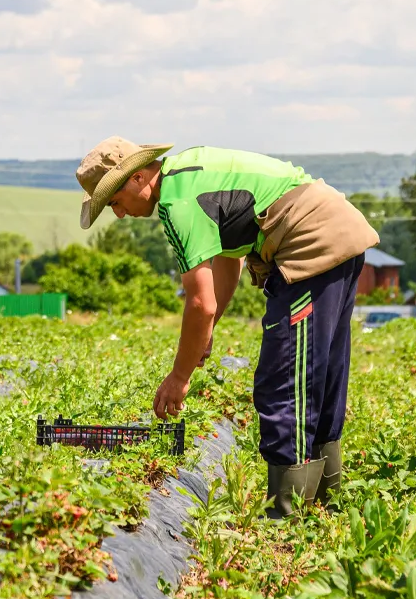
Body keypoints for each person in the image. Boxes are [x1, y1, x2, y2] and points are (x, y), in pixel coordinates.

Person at [75, 137, 379, 518]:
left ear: (138, 178)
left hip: (311, 240)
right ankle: (325, 507)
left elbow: (199, 302)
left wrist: (179, 377)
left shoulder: (177, 203)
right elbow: (228, 259)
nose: (118, 214)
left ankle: (288, 519)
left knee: (286, 379)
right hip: (336, 229)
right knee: (320, 373)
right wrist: (209, 328)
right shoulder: (187, 175)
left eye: (115, 202)